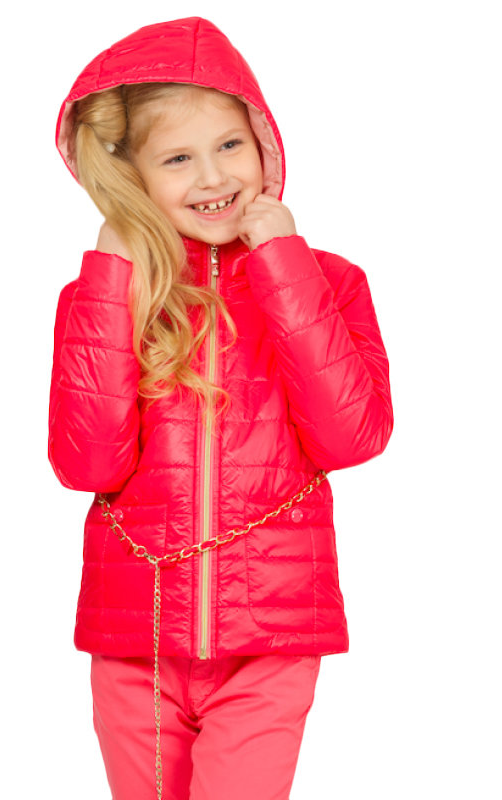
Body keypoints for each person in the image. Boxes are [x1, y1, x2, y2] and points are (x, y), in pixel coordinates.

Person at [48, 16, 394, 800]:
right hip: (136, 640)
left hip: (270, 636)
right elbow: (87, 464)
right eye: (177, 158)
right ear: (134, 176)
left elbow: (353, 436)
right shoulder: (101, 292)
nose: (212, 177)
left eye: (230, 145)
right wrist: (111, 279)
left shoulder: (328, 280)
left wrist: (283, 264)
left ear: (264, 141)